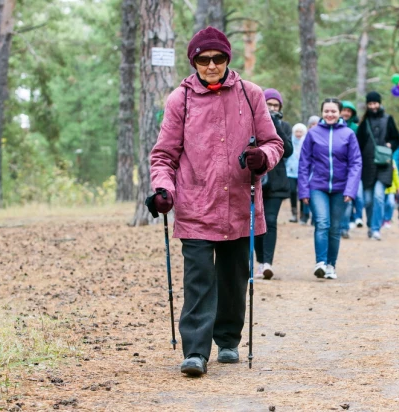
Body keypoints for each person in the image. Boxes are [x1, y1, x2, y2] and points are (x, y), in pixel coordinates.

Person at [149, 27, 284, 376]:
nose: (211, 65)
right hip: (195, 204)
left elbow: (274, 143)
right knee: (198, 279)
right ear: (194, 61)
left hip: (240, 204)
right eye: (203, 59)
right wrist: (164, 191)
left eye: (218, 58)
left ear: (227, 59)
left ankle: (227, 341)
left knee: (233, 278)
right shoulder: (180, 99)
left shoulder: (250, 94)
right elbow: (164, 156)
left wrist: (263, 158)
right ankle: (195, 351)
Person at [298, 98, 362, 279]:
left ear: (340, 113)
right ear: (322, 112)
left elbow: (356, 163)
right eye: (326, 111)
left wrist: (351, 190)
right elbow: (304, 163)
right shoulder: (313, 133)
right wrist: (303, 190)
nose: (330, 114)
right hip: (317, 186)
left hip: (341, 188)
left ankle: (331, 265)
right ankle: (320, 262)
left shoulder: (349, 134)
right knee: (322, 222)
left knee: (335, 228)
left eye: (333, 111)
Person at [253, 89, 294, 279]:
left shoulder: (284, 126)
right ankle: (259, 260)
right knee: (255, 222)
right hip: (255, 181)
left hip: (276, 183)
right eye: (268, 104)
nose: (272, 108)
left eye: (275, 105)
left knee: (270, 221)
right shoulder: (251, 123)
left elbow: (288, 151)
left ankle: (267, 263)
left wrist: (275, 124)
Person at [356, 91, 399, 240]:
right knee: (368, 200)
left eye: (375, 103)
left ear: (380, 103)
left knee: (379, 197)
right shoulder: (364, 123)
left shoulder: (388, 119)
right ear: (367, 105)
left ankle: (376, 229)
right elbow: (358, 144)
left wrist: (390, 145)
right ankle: (371, 225)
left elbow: (397, 139)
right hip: (367, 166)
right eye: (370, 104)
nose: (373, 106)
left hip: (384, 165)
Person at [339, 100, 364, 237]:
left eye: (349, 111)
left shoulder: (356, 128)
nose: (346, 113)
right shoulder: (333, 126)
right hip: (337, 167)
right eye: (344, 110)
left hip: (352, 167)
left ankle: (344, 227)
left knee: (349, 198)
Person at [286, 123, 309, 224]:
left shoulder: (306, 141)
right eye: (297, 131)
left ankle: (303, 215)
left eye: (301, 132)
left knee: (302, 193)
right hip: (290, 171)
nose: (298, 134)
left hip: (303, 172)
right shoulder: (289, 140)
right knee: (292, 192)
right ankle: (294, 213)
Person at [382, 160, 399, 229]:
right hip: (382, 188)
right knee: (381, 205)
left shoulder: (392, 161)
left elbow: (395, 174)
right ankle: (381, 220)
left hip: (391, 188)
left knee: (390, 203)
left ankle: (387, 219)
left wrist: (398, 186)